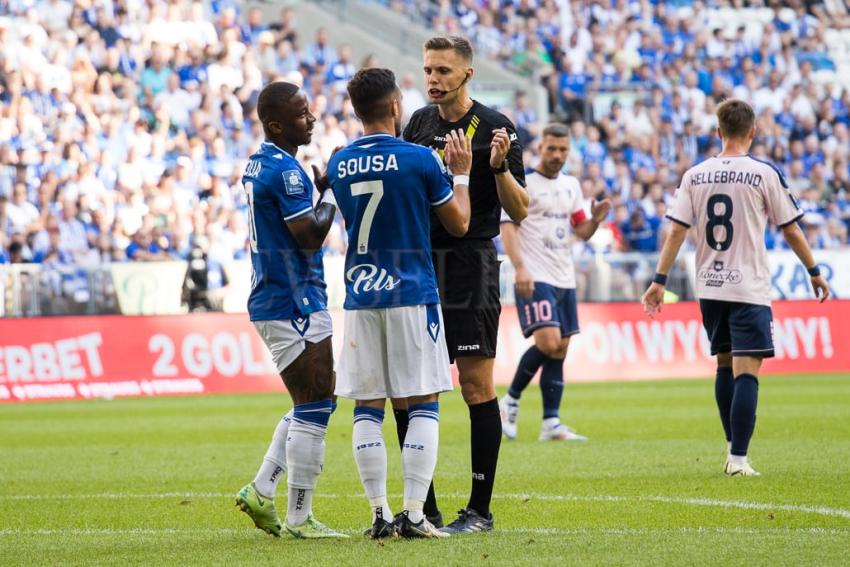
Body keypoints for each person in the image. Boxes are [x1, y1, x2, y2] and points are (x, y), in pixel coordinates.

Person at [641, 99, 830, 477]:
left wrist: (659, 280)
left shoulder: (695, 174)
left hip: (709, 286)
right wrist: (813, 269)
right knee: (748, 370)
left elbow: (678, 228)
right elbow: (790, 227)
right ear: (753, 132)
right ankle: (739, 460)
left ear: (717, 131)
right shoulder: (763, 173)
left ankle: (732, 449)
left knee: (724, 365)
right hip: (747, 285)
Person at [328, 68, 472, 539]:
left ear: (356, 110)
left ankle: (378, 514)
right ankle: (414, 515)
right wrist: (464, 175)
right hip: (411, 293)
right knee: (424, 401)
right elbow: (459, 224)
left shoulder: (338, 162)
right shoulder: (419, 160)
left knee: (367, 405)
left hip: (360, 295)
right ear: (394, 107)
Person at [401, 35, 529, 534]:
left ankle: (479, 510)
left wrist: (495, 169)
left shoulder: (498, 127)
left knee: (474, 385)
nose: (433, 79)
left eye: (443, 72)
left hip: (471, 263)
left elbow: (519, 210)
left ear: (467, 75)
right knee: (412, 388)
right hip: (419, 264)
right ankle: (422, 508)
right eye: (428, 70)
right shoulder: (418, 124)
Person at [235, 81, 346, 539]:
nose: (313, 118)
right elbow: (311, 235)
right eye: (303, 114)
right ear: (277, 124)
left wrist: (318, 191)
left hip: (281, 295)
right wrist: (334, 193)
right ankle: (300, 518)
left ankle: (263, 489)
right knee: (316, 404)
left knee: (316, 400)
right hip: (292, 298)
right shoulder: (287, 172)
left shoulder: (261, 161)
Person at [499, 123, 611, 441]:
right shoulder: (523, 183)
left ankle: (551, 422)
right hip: (535, 275)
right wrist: (519, 267)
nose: (557, 155)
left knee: (560, 349)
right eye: (552, 149)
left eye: (563, 149)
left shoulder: (571, 185)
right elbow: (508, 228)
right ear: (540, 148)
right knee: (548, 342)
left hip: (564, 275)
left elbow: (580, 230)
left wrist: (596, 220)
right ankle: (509, 401)